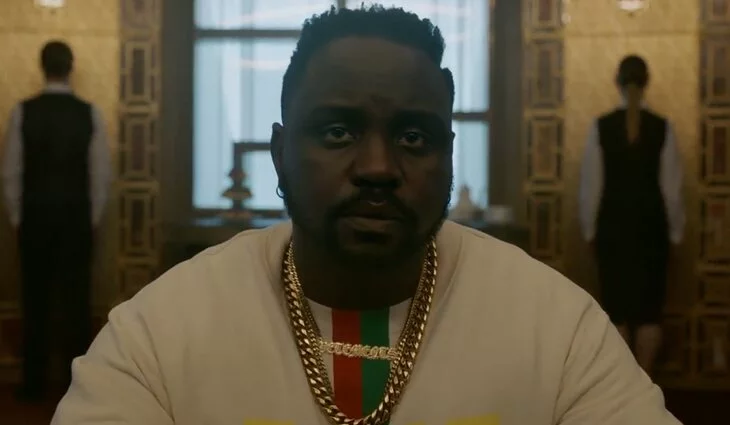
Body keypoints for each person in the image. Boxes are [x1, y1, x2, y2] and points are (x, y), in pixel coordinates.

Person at [52, 7, 681, 425]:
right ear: (279, 154)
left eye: (413, 137)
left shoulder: (559, 329)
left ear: (449, 156)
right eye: (338, 131)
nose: (378, 167)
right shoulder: (158, 335)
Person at [1, 40, 112, 401]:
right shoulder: (89, 113)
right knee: (77, 301)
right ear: (71, 67)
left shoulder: (23, 112)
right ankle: (75, 383)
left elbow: (11, 172)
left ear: (42, 66)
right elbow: (100, 174)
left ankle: (33, 382)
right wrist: (92, 219)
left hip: (35, 218)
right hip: (76, 218)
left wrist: (17, 218)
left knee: (34, 299)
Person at [578, 55, 685, 377]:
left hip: (612, 231)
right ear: (646, 82)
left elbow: (591, 187)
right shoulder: (663, 127)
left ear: (618, 82)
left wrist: (589, 231)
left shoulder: (601, 127)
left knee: (617, 310)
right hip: (652, 231)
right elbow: (672, 189)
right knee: (649, 312)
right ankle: (646, 379)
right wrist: (676, 234)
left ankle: (623, 384)